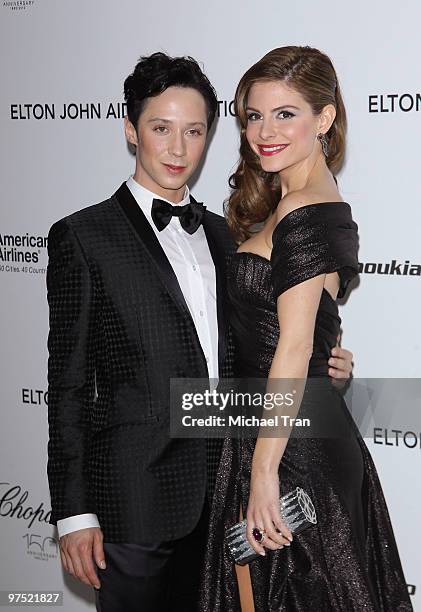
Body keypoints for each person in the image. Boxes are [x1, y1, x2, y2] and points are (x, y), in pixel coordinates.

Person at [46, 52, 355, 612]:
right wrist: (73, 512)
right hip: (133, 500)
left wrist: (323, 364)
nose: (178, 149)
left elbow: (268, 337)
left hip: (224, 492)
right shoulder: (83, 237)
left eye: (194, 131)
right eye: (160, 128)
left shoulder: (226, 236)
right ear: (129, 129)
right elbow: (66, 386)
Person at [200, 46, 412, 612]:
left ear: (325, 118)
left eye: (285, 114)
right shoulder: (310, 203)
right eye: (253, 115)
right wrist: (329, 365)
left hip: (288, 448)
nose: (264, 132)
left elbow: (292, 348)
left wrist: (264, 473)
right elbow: (310, 330)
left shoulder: (302, 211)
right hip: (289, 426)